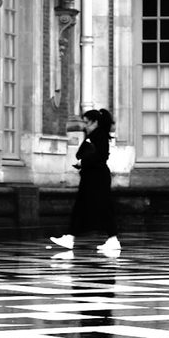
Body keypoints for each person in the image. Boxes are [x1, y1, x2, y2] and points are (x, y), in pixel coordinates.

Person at [50, 108, 118, 256]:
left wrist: (83, 162)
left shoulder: (98, 135)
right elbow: (85, 153)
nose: (85, 126)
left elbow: (100, 157)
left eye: (87, 123)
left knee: (100, 206)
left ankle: (111, 238)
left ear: (95, 122)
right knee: (87, 206)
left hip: (97, 177)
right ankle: (71, 236)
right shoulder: (96, 135)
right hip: (94, 176)